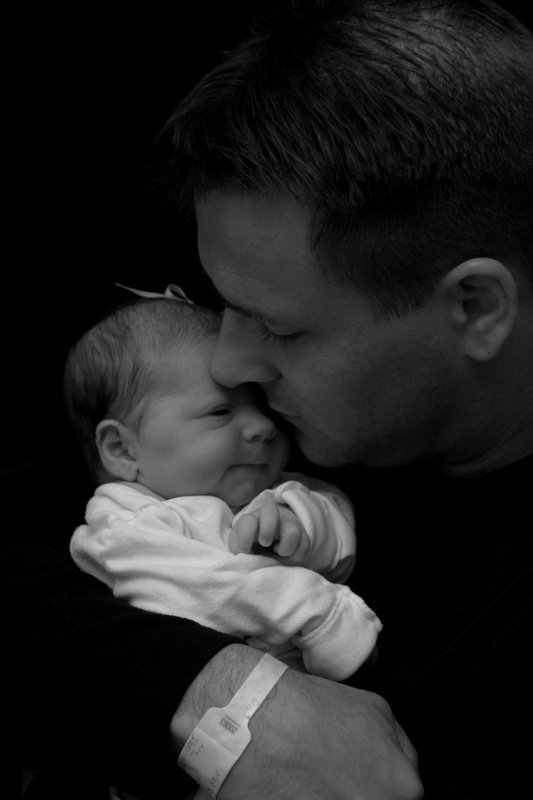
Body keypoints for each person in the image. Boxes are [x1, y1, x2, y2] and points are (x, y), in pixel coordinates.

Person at [6, 0, 531, 798]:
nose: (227, 362)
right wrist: (211, 696)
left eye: (279, 329)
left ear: (474, 309)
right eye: (220, 305)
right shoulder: (273, 322)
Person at [65, 291, 381, 681]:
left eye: (262, 407)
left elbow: (340, 537)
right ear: (121, 449)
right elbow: (204, 589)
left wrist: (299, 524)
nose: (264, 427)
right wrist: (320, 614)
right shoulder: (123, 528)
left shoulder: (273, 492)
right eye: (220, 411)